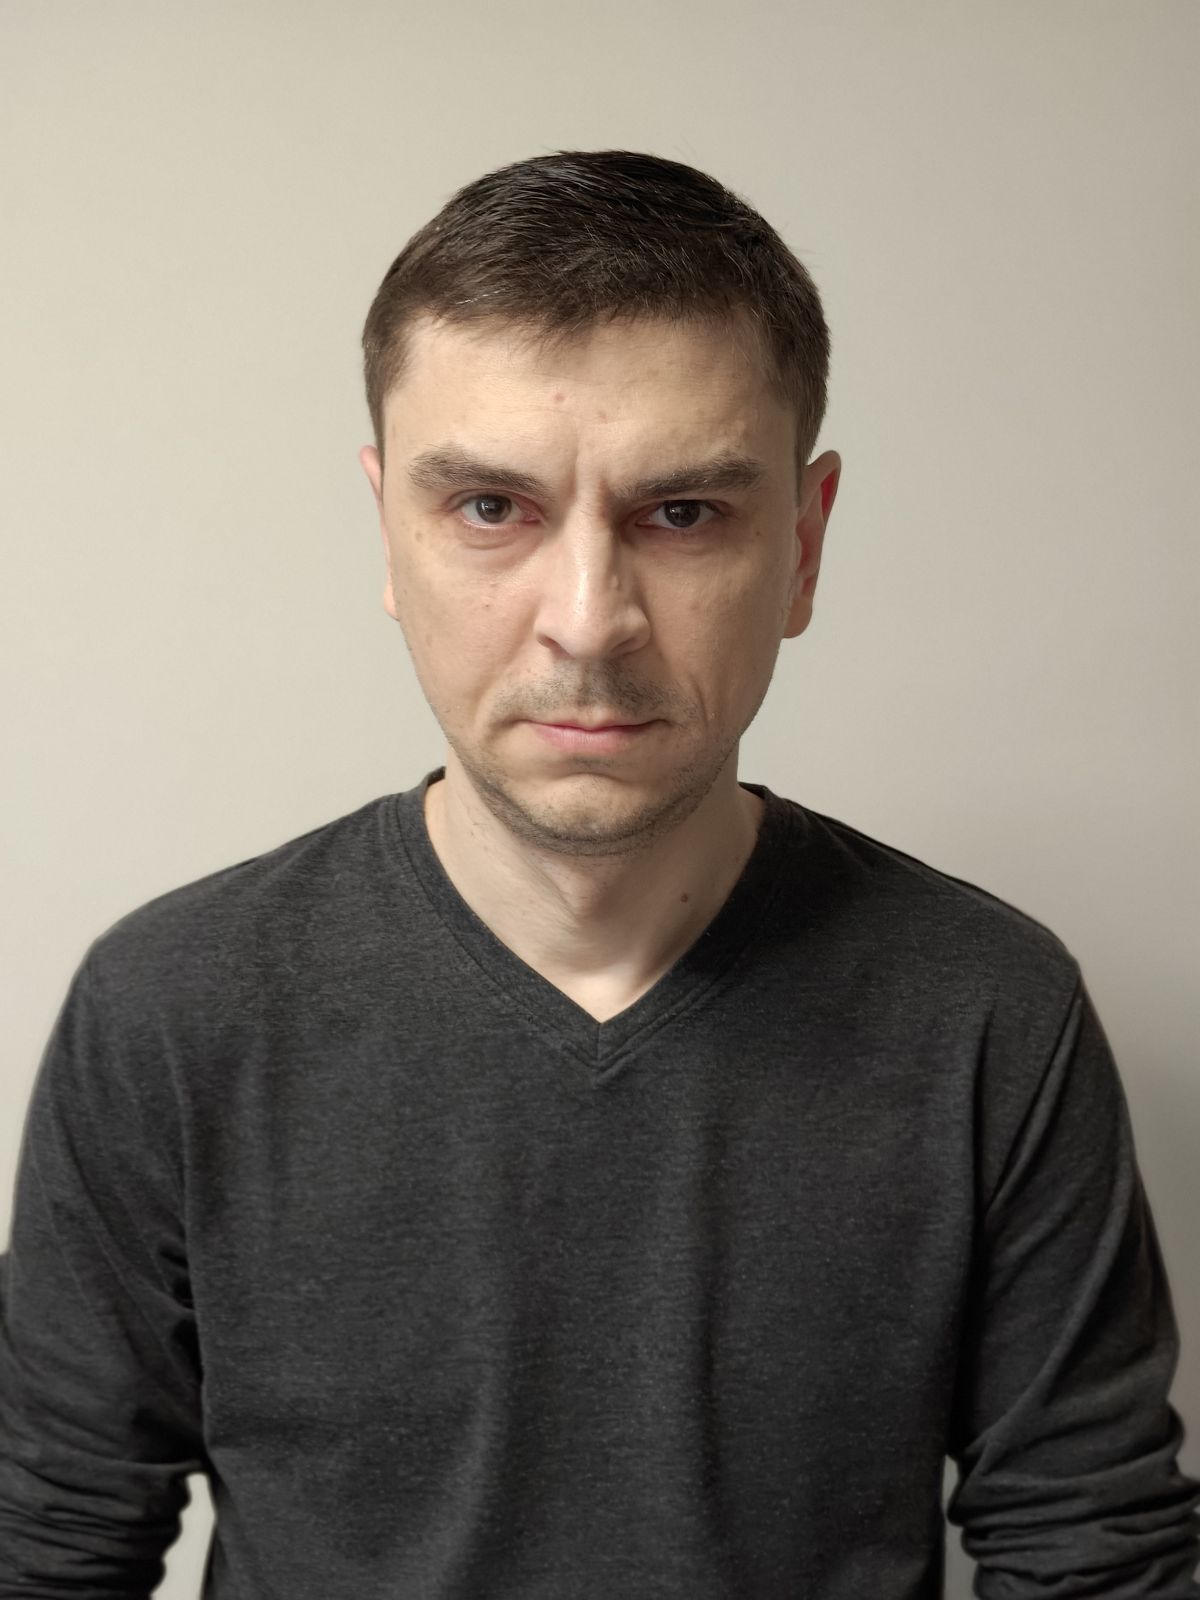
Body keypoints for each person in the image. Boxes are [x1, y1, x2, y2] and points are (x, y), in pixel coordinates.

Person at [1, 149, 1197, 1600]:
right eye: (490, 508)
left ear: (805, 543)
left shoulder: (987, 1010)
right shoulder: (172, 1009)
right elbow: (45, 1548)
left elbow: (1092, 1553)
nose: (589, 620)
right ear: (389, 531)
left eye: (682, 513)